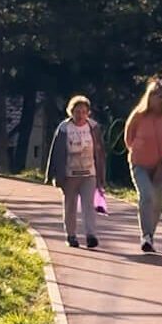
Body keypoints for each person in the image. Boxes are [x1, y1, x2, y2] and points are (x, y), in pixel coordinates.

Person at [124, 77, 162, 252]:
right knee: (146, 196)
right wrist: (137, 148)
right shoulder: (139, 115)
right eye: (158, 96)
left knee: (157, 201)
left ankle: (151, 235)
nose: (161, 100)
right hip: (140, 163)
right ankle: (146, 235)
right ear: (150, 96)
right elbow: (128, 136)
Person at [45, 94, 107, 248]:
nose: (80, 115)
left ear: (88, 113)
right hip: (69, 174)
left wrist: (101, 174)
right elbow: (56, 152)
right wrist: (52, 175)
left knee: (89, 205)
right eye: (77, 112)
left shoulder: (93, 127)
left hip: (89, 173)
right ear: (71, 112)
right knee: (70, 205)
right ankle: (71, 235)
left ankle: (91, 235)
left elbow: (100, 152)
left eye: (83, 112)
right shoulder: (64, 128)